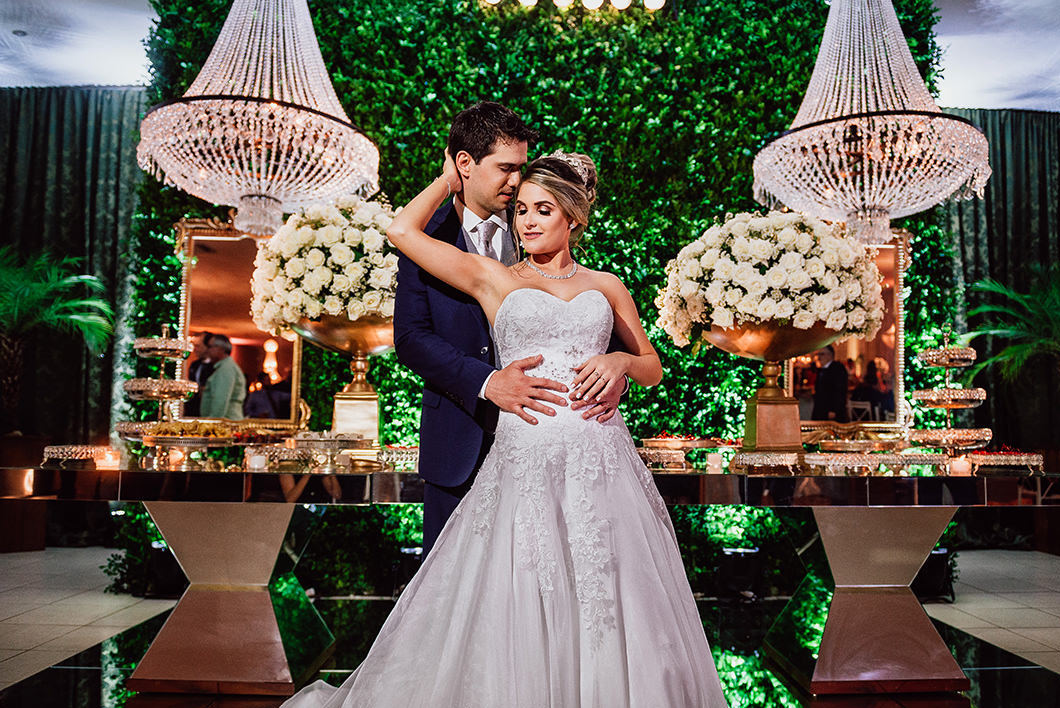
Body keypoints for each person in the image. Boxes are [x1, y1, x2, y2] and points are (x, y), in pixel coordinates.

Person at [280, 152, 729, 707]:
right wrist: (451, 177)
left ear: (573, 217)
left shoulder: (607, 285)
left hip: (600, 459)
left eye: (543, 209)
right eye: (520, 210)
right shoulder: (495, 278)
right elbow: (401, 230)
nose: (527, 221)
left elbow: (652, 366)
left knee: (607, 595)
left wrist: (619, 364)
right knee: (520, 590)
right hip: (526, 456)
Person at [394, 102, 623, 558]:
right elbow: (412, 340)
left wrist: (614, 377)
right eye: (505, 168)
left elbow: (592, 328)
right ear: (464, 164)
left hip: (555, 448)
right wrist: (488, 382)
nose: (517, 181)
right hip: (459, 443)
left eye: (521, 168)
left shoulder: (543, 223)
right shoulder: (429, 238)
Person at [199, 333, 246, 419]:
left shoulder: (226, 368)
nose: (207, 350)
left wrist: (213, 423)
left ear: (221, 348)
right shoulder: (225, 367)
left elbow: (220, 400)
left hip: (226, 422)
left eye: (210, 346)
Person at [811, 345, 848, 422]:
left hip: (832, 412)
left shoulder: (838, 368)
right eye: (818, 354)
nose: (819, 357)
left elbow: (840, 391)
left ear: (830, 355)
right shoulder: (821, 369)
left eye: (822, 354)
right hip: (820, 410)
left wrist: (834, 410)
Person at [183, 331, 214, 416]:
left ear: (207, 347)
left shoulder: (216, 366)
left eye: (198, 346)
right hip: (192, 410)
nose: (194, 349)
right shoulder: (194, 365)